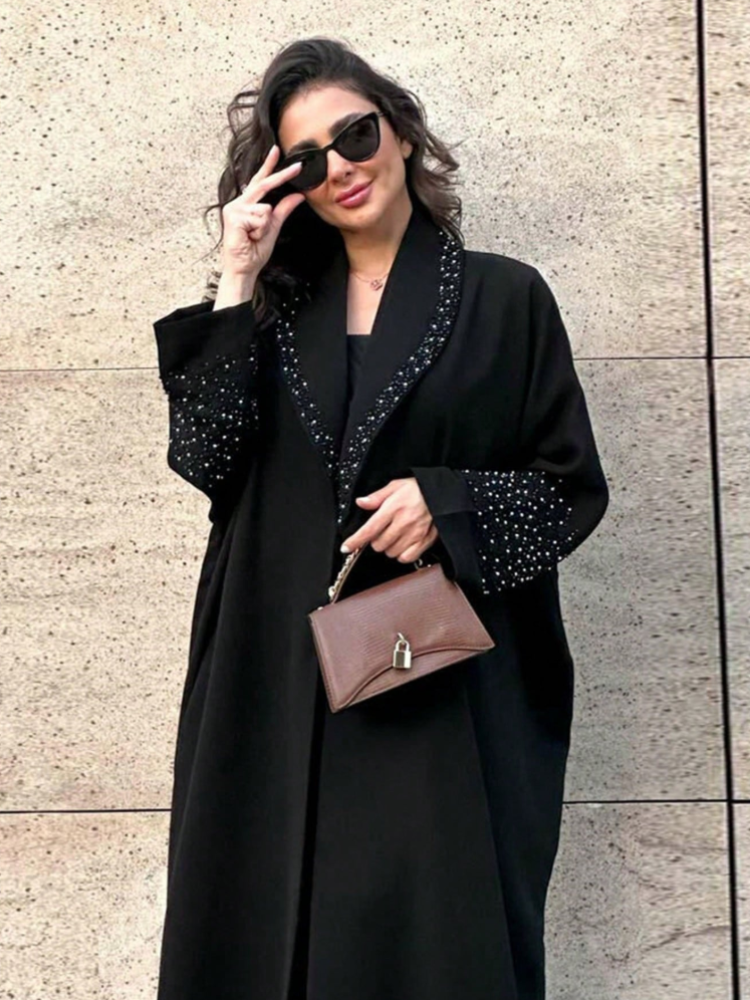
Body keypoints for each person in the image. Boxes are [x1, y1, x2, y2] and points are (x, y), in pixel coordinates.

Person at [152, 36, 609, 1000]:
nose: (341, 168)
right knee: (263, 935)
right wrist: (235, 275)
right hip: (273, 675)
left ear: (399, 132)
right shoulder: (268, 313)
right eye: (306, 159)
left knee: (434, 942)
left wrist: (446, 502)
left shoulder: (504, 296)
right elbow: (207, 462)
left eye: (355, 135)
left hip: (433, 682)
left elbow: (570, 488)